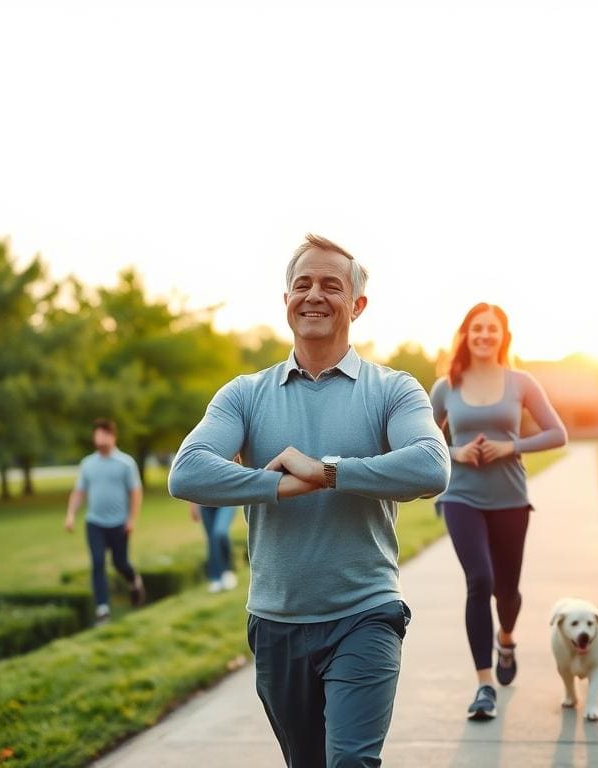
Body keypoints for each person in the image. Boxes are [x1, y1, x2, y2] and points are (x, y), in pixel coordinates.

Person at [169, 234, 450, 768]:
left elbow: (431, 465)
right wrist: (279, 484)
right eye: (302, 284)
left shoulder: (395, 390)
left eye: (331, 285)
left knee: (350, 763)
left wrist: (329, 472)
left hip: (366, 612)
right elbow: (186, 472)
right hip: (276, 621)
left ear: (357, 304)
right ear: (286, 301)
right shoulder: (244, 394)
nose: (314, 295)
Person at [430, 303, 567, 720]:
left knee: (506, 590)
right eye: (477, 329)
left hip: (510, 497)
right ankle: (484, 685)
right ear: (466, 334)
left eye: (492, 329)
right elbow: (423, 442)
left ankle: (506, 638)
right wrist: (456, 451)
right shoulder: (445, 386)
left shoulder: (521, 382)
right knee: (480, 581)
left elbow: (557, 433)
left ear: (503, 335)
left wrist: (512, 446)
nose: (485, 335)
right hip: (461, 496)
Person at [65, 418, 146, 624]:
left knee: (120, 563)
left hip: (119, 523)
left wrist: (131, 519)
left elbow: (135, 493)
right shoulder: (87, 464)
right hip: (95, 523)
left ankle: (134, 581)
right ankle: (102, 609)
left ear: (112, 436)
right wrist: (71, 515)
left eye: (104, 434)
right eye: (97, 434)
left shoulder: (126, 463)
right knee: (98, 563)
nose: (100, 438)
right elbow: (79, 492)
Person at [189, 502, 239, 593]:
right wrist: (193, 505)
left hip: (226, 500)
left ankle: (227, 571)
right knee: (212, 540)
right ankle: (216, 578)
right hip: (204, 504)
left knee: (220, 533)